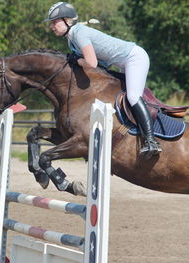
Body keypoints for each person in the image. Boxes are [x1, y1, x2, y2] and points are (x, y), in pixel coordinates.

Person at [45, 2, 161, 158]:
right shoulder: (71, 38)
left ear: (66, 20)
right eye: (52, 23)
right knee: (120, 96)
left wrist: (77, 61)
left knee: (133, 96)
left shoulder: (79, 33)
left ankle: (151, 141)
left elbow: (91, 63)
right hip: (123, 62)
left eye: (54, 21)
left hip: (134, 58)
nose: (52, 26)